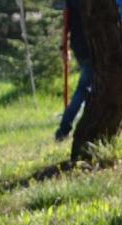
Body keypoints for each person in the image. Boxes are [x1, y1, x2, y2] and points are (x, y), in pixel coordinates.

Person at [55, 0, 90, 141]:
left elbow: (66, 22)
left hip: (78, 44)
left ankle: (85, 123)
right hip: (90, 46)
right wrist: (64, 46)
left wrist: (65, 45)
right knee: (84, 88)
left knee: (90, 88)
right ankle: (64, 128)